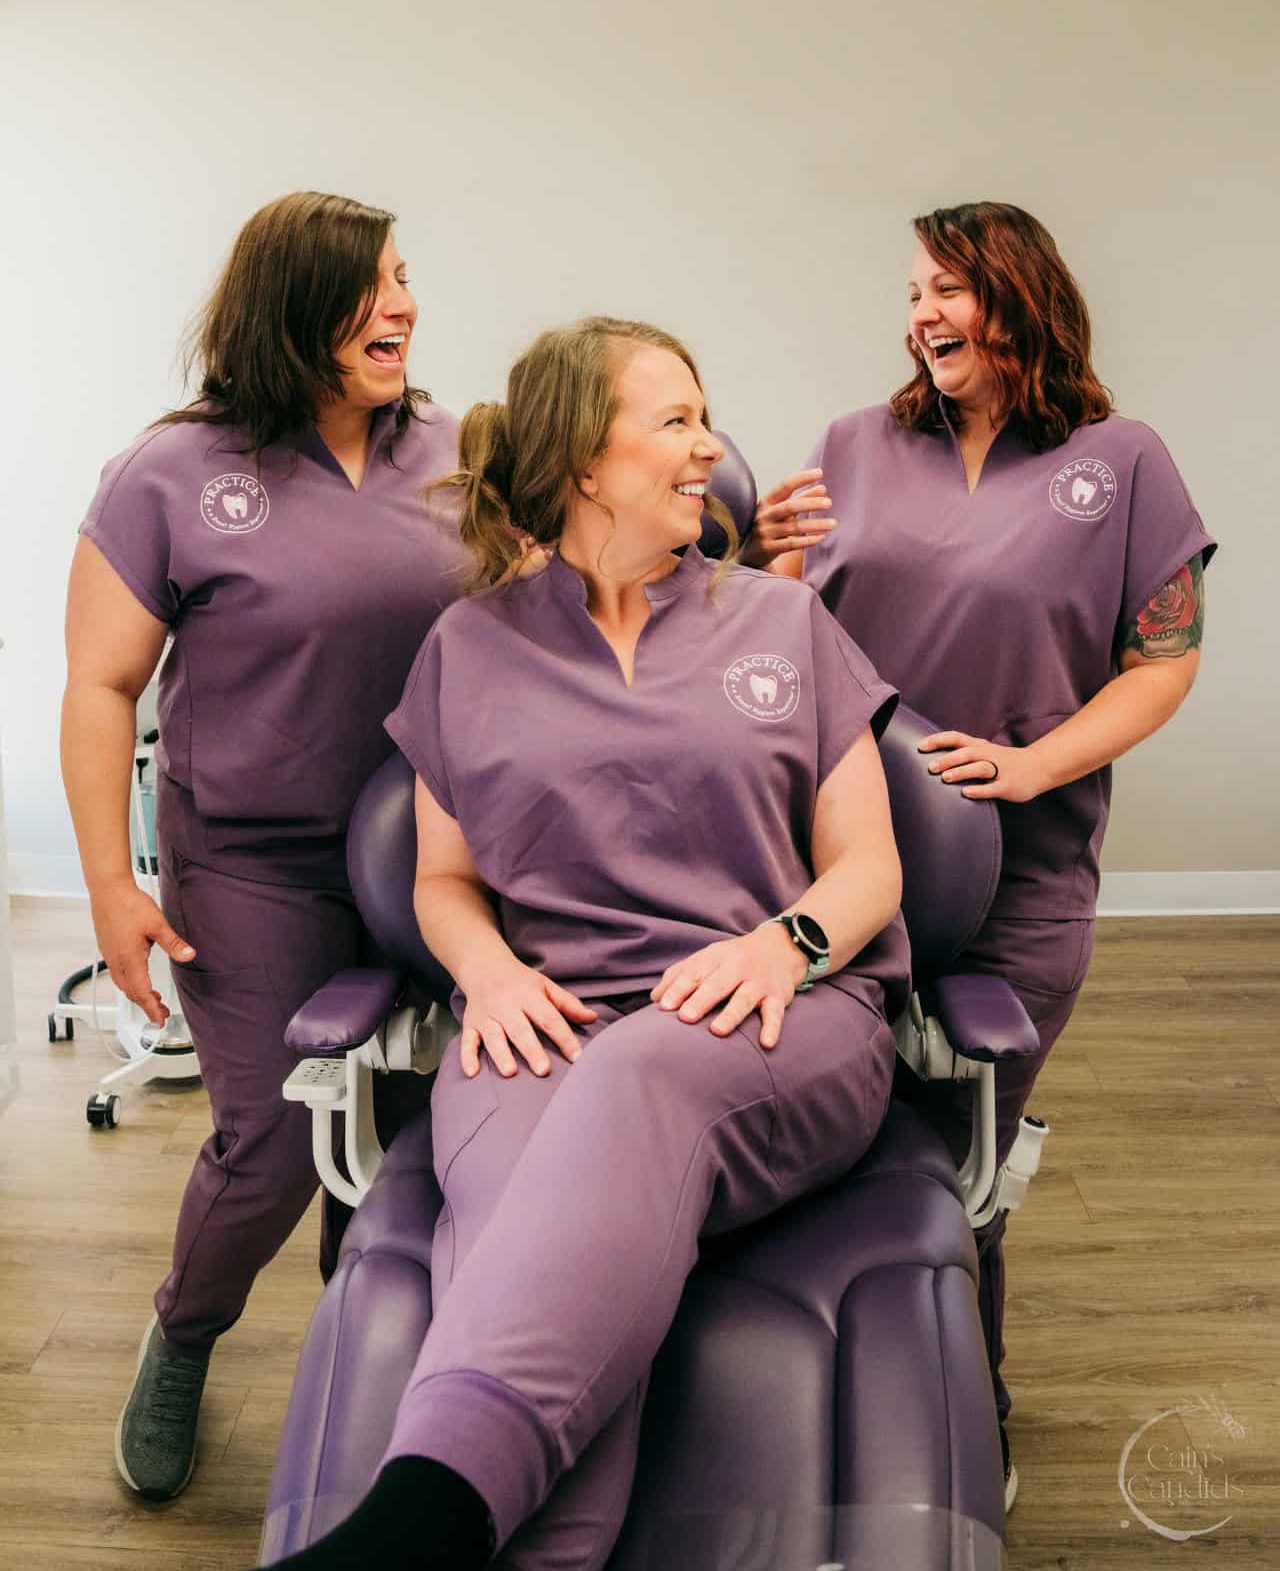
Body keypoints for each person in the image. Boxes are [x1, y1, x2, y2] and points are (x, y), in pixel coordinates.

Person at [258, 317, 909, 1571]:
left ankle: (403, 1529)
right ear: (581, 463)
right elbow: (441, 878)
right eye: (675, 421)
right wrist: (488, 972)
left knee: (640, 1072)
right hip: (544, 1020)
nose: (709, 447)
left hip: (782, 1015)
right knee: (527, 1247)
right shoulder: (469, 646)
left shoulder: (783, 622)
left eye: (703, 418)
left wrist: (784, 943)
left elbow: (868, 868)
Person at [743, 200, 1214, 1512]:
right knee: (831, 1149)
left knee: (960, 1164)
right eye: (912, 292)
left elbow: (1163, 660)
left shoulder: (1120, 462)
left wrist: (1031, 765)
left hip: (1023, 882)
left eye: (945, 287)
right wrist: (767, 565)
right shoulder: (854, 445)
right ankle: (803, 1407)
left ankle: (963, 1399)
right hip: (835, 868)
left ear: (1017, 293)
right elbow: (781, 646)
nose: (920, 314)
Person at [61, 191, 466, 1503]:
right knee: (277, 1136)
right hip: (251, 861)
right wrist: (111, 885)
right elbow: (101, 685)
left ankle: (370, 1348)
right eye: (371, 284)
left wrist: (745, 546)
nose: (402, 305)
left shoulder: (455, 453)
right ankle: (185, 1333)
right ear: (293, 308)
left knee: (417, 1128)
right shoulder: (172, 473)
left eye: (404, 277)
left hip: (430, 858)